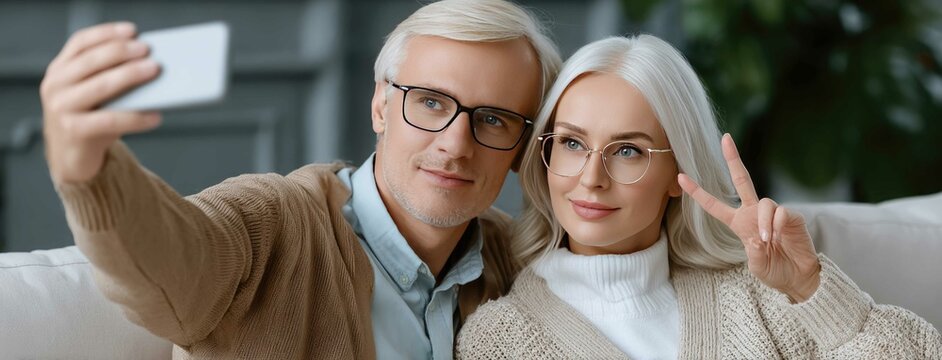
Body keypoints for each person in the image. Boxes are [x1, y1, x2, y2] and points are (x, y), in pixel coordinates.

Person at [40, 0, 561, 358]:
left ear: (521, 148)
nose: (455, 143)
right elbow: (168, 257)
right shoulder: (269, 223)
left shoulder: (518, 267)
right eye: (430, 102)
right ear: (381, 105)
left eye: (493, 119)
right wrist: (87, 172)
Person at [456, 35, 941, 359]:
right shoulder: (500, 340)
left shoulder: (753, 294)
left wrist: (811, 288)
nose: (591, 178)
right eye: (572, 143)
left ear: (678, 171)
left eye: (628, 150)